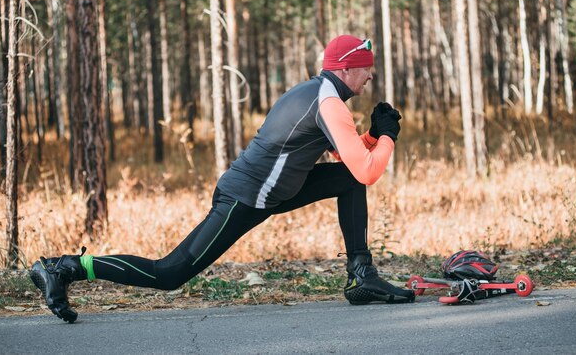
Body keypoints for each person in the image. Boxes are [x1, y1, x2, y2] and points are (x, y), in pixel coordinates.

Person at [30, 35, 415, 323]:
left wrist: (372, 136)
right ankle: (65, 267)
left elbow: (349, 160)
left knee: (347, 180)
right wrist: (386, 136)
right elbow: (369, 168)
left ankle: (361, 276)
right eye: (367, 68)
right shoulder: (329, 103)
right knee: (170, 273)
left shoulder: (318, 93)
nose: (370, 76)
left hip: (276, 191)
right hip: (245, 197)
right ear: (348, 68)